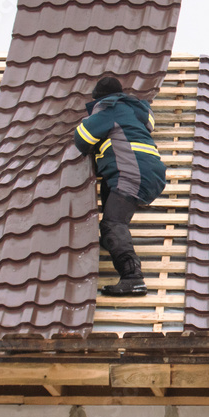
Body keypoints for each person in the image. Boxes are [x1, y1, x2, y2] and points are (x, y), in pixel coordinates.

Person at [73, 76, 166, 296]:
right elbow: (148, 122)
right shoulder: (137, 111)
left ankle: (133, 278)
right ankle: (112, 243)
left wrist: (90, 121)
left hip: (131, 170)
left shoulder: (108, 110)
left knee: (113, 224)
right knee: (110, 194)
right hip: (151, 170)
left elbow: (81, 139)